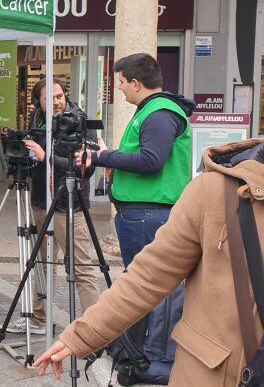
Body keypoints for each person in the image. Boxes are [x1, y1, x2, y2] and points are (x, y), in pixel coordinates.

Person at [36, 138, 264, 386]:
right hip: (219, 374)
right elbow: (148, 276)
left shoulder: (164, 113)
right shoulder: (216, 193)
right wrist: (82, 335)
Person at [78, 52, 195, 381]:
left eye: (121, 82)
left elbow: (151, 161)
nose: (120, 89)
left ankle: (151, 363)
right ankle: (142, 355)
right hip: (143, 215)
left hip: (150, 216)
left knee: (148, 289)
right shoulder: (153, 111)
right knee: (144, 287)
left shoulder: (159, 114)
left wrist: (103, 156)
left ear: (135, 82)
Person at [6, 78, 99, 335]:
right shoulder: (37, 120)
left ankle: (96, 326)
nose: (57, 102)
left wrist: (45, 156)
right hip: (39, 201)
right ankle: (38, 318)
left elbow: (84, 169)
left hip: (67, 203)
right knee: (41, 265)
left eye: (59, 96)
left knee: (81, 267)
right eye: (50, 98)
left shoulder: (79, 122)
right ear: (39, 102)